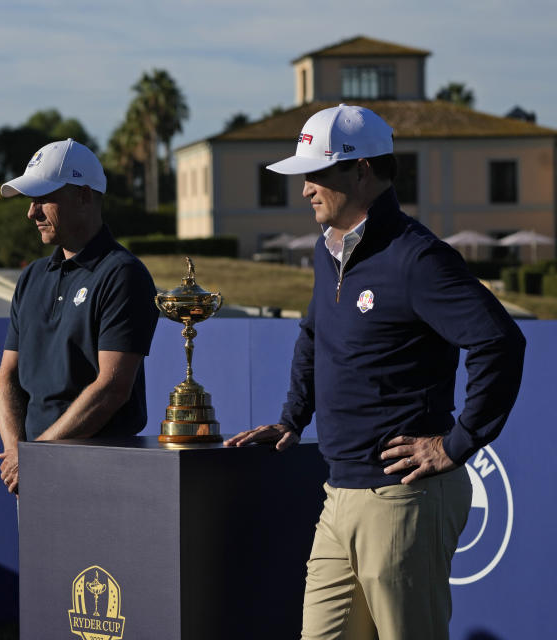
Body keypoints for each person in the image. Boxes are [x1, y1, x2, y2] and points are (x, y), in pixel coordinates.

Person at [224, 104, 526, 640]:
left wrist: (456, 444)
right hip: (339, 493)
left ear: (362, 171)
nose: (306, 190)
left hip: (404, 498)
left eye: (317, 174)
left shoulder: (418, 258)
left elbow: (499, 342)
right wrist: (294, 418)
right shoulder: (328, 251)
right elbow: (315, 336)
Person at [0, 139, 159, 495]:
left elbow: (112, 388)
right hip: (33, 473)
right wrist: (16, 453)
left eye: (43, 199)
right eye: (30, 200)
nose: (31, 212)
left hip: (101, 476)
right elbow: (9, 377)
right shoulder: (32, 277)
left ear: (83, 196)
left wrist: (34, 456)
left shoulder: (123, 273)